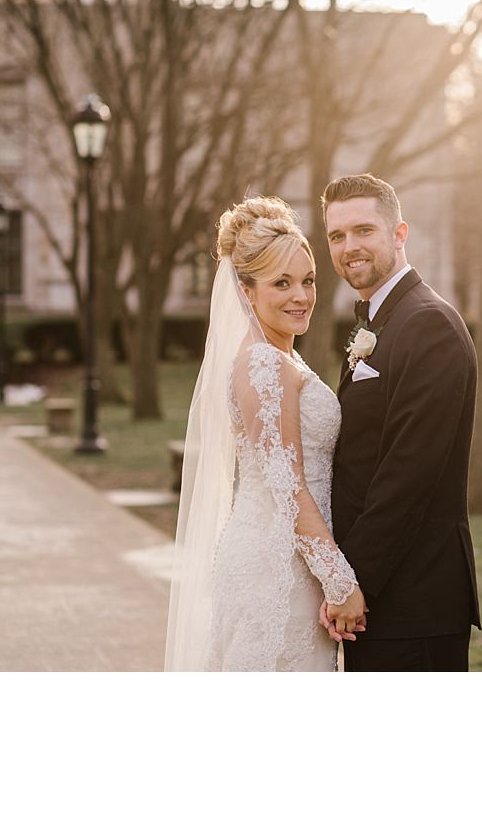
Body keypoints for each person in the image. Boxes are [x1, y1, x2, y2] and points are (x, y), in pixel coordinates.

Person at [165, 196, 365, 671]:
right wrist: (340, 581)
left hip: (291, 558)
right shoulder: (261, 362)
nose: (302, 296)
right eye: (282, 283)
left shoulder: (280, 356)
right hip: (274, 567)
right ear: (246, 290)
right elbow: (288, 487)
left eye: (308, 280)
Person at [323, 173, 481, 672]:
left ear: (399, 233)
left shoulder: (427, 324)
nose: (350, 247)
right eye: (337, 236)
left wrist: (352, 581)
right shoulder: (384, 320)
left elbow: (407, 475)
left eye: (364, 230)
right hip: (386, 600)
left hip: (415, 600)